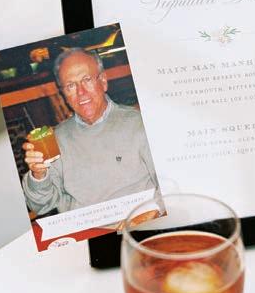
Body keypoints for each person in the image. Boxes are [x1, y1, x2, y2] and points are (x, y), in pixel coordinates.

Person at [22, 48, 158, 215]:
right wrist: (38, 174)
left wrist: (152, 213)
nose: (81, 92)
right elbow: (41, 205)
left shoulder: (139, 123)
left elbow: (169, 183)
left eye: (86, 80)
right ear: (64, 94)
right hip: (84, 227)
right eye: (71, 85)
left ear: (103, 81)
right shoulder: (55, 139)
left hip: (139, 220)